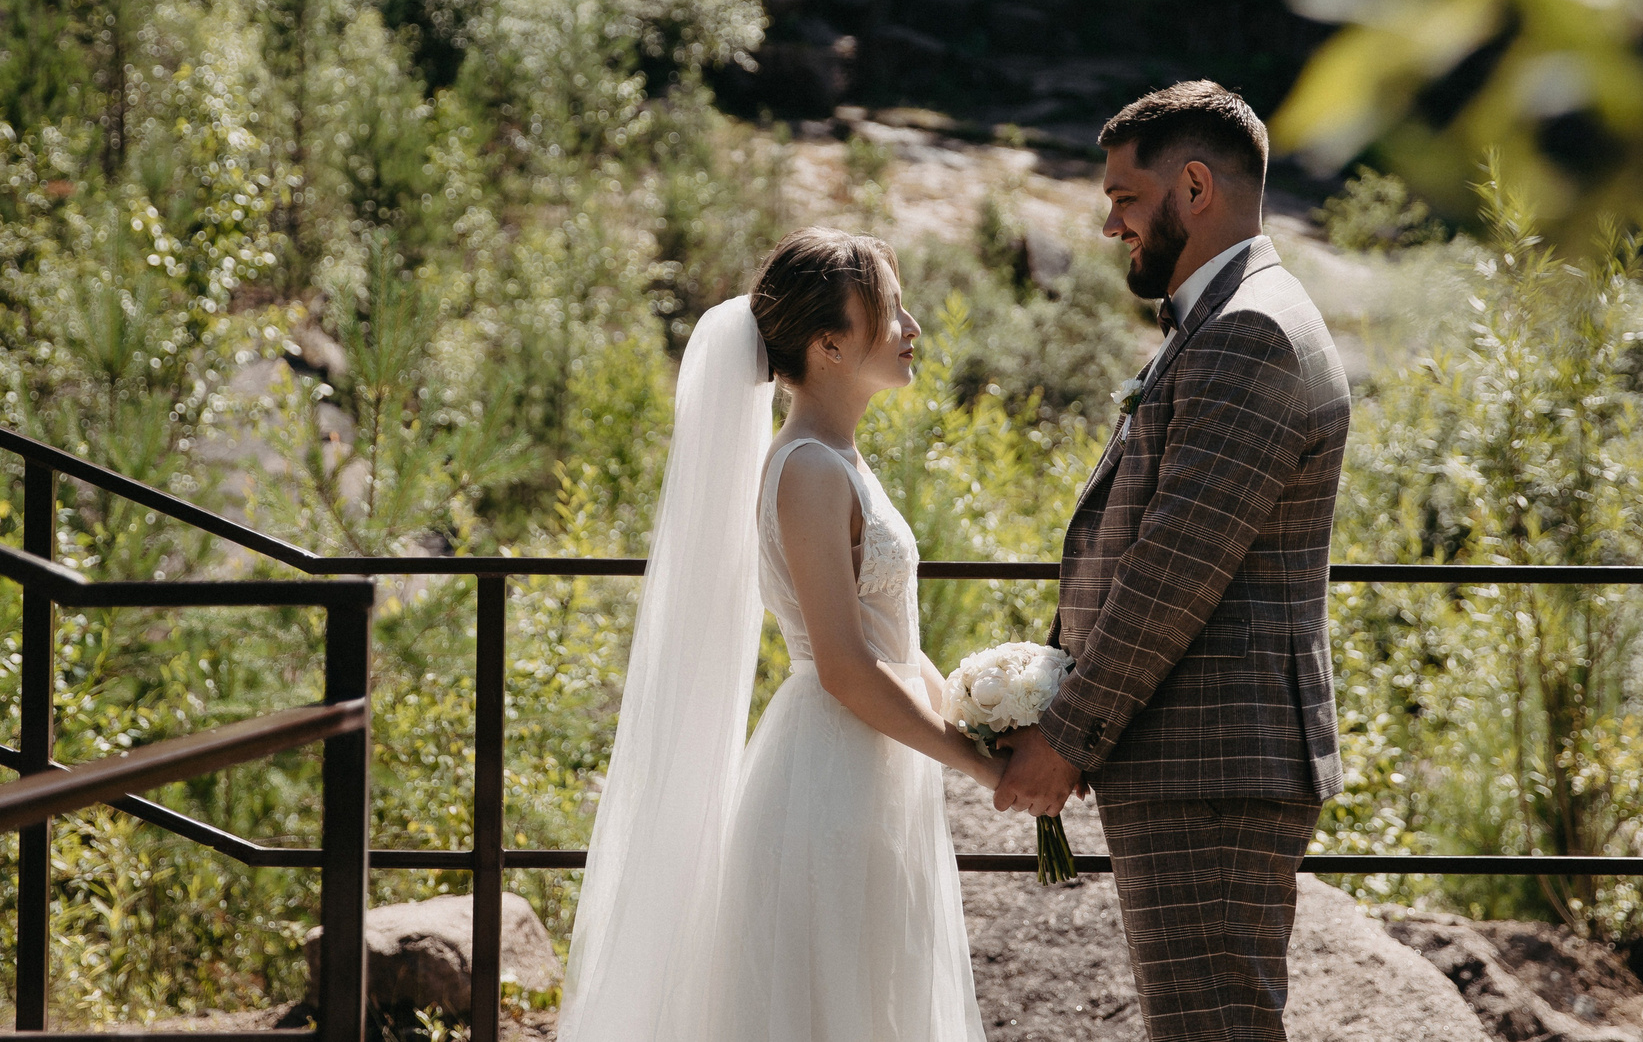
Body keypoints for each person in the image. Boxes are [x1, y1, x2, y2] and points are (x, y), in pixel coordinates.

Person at [559, 227, 992, 1042]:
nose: (913, 328)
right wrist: (971, 761)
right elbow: (844, 666)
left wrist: (978, 717)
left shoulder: (838, 457)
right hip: (829, 775)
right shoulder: (808, 470)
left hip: (876, 767)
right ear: (829, 345)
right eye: (892, 311)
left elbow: (891, 642)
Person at [992, 80, 1350, 1042]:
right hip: (1203, 757)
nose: (1111, 225)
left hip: (1213, 764)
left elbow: (1176, 565)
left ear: (1194, 187)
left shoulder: (1250, 332)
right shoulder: (1230, 317)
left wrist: (1066, 735)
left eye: (1123, 197)